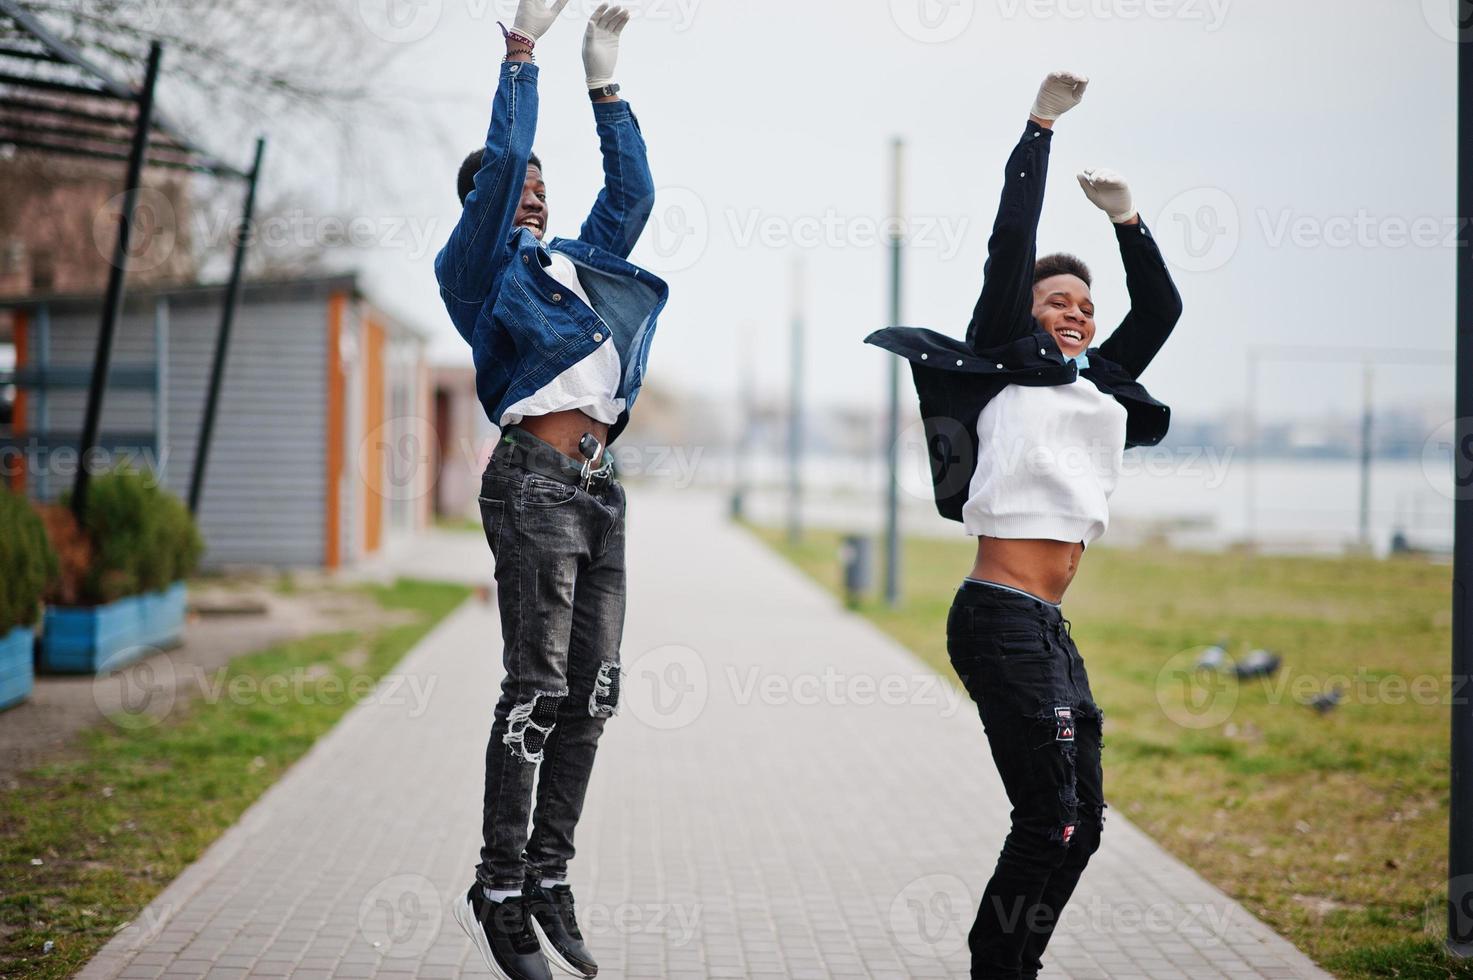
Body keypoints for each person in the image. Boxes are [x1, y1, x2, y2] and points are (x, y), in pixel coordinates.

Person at [865, 70, 1184, 979]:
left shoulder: (1101, 382)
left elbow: (1158, 309)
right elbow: (1011, 245)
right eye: (1058, 303)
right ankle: (997, 970)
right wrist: (1039, 127)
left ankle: (1011, 966)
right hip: (1000, 617)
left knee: (1081, 825)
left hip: (1046, 625)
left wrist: (1128, 221)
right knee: (1050, 820)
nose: (1076, 314)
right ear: (1025, 319)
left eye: (1083, 306)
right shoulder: (1005, 368)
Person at [433, 3, 668, 978]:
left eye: (538, 186)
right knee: (535, 684)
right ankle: (497, 888)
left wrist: (602, 74)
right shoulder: (476, 270)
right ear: (481, 204)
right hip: (530, 481)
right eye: (511, 186)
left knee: (594, 689)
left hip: (598, 487)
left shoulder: (578, 264)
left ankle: (548, 874)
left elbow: (634, 191)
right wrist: (523, 60)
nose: (529, 193)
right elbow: (506, 151)